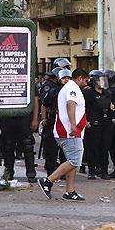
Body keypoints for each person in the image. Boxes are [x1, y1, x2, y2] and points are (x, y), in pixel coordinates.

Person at [37, 68, 88, 201]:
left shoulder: (69, 87)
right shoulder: (72, 88)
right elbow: (70, 104)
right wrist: (73, 125)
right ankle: (48, 181)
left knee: (72, 160)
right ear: (80, 78)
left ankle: (70, 191)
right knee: (74, 161)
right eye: (86, 80)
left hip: (69, 130)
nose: (87, 83)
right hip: (68, 131)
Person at [83, 70, 113, 179]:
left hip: (106, 123)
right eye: (101, 80)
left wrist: (111, 108)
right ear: (95, 81)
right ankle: (91, 170)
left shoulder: (107, 93)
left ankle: (104, 171)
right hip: (93, 123)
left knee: (105, 148)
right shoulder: (89, 93)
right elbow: (83, 108)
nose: (103, 82)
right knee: (92, 148)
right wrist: (85, 121)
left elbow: (110, 105)